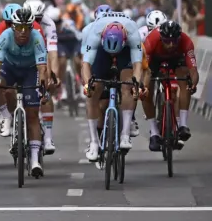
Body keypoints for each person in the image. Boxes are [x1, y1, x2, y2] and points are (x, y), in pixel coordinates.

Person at [0, 7, 49, 176]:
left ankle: (35, 160)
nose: (23, 32)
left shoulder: (37, 38)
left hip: (31, 71)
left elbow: (42, 68)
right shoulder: (5, 36)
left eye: (27, 28)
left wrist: (43, 87)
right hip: (10, 68)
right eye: (19, 28)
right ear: (13, 27)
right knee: (3, 89)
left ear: (32, 27)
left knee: (32, 114)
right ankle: (7, 118)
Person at [81, 12, 144, 161]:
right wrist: (87, 84)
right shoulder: (95, 31)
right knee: (93, 90)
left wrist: (136, 84)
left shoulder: (133, 32)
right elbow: (86, 64)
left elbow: (138, 65)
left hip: (125, 51)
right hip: (101, 51)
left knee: (128, 85)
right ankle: (94, 142)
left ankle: (125, 134)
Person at [141, 20, 199, 151]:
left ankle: (183, 125)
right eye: (167, 41)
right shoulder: (151, 40)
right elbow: (146, 70)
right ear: (161, 38)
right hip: (154, 59)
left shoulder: (186, 41)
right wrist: (144, 87)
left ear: (179, 38)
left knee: (185, 81)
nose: (171, 44)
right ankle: (154, 132)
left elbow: (193, 70)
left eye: (174, 41)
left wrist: (193, 84)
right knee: (146, 91)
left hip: (176, 58)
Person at [23, 0, 59, 154]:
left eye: (38, 18)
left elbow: (52, 52)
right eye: (33, 18)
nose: (36, 22)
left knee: (46, 91)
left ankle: (48, 137)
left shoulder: (49, 23)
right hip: (23, 56)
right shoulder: (19, 20)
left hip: (40, 54)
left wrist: (53, 74)